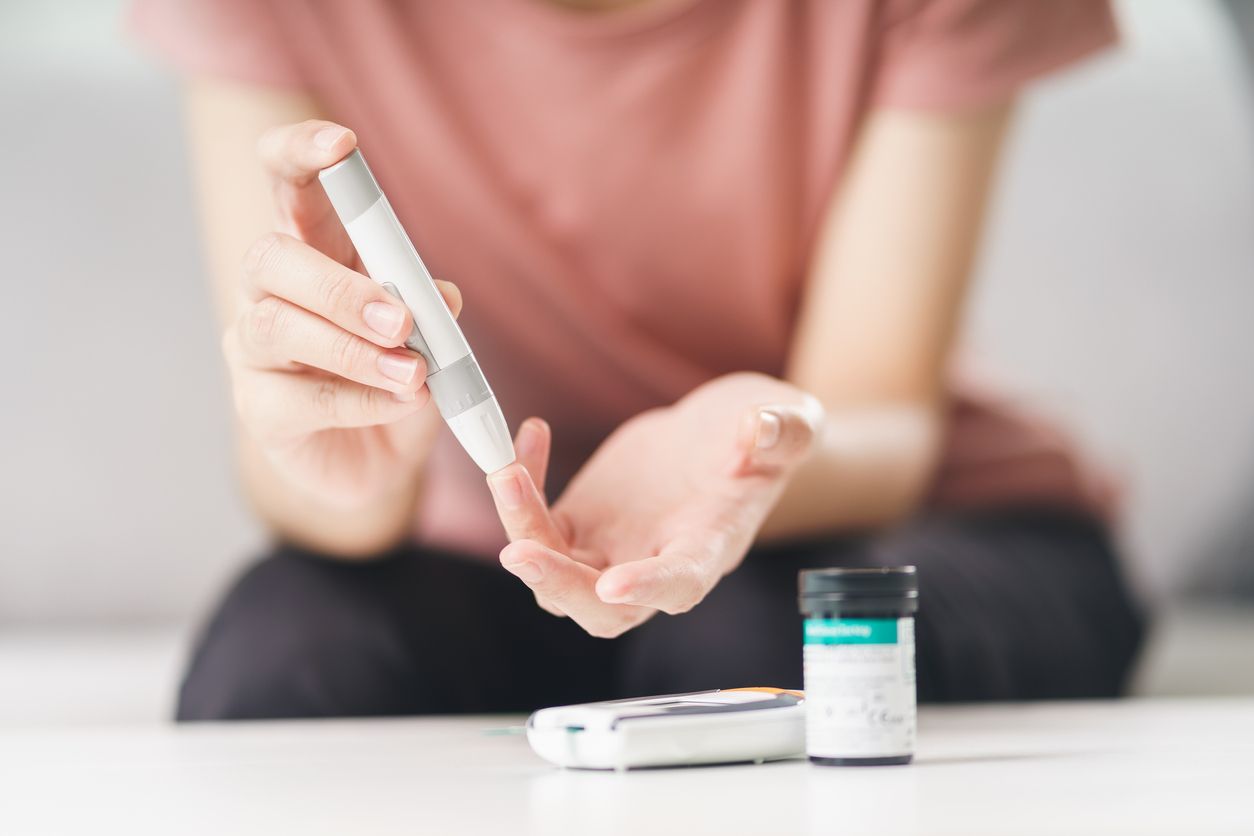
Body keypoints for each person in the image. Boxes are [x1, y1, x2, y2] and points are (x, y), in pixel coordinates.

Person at [132, 0, 1144, 720]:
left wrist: (744, 447)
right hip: (490, 547)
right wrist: (364, 462)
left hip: (881, 518)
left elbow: (883, 419)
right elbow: (296, 466)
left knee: (746, 649)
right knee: (284, 659)